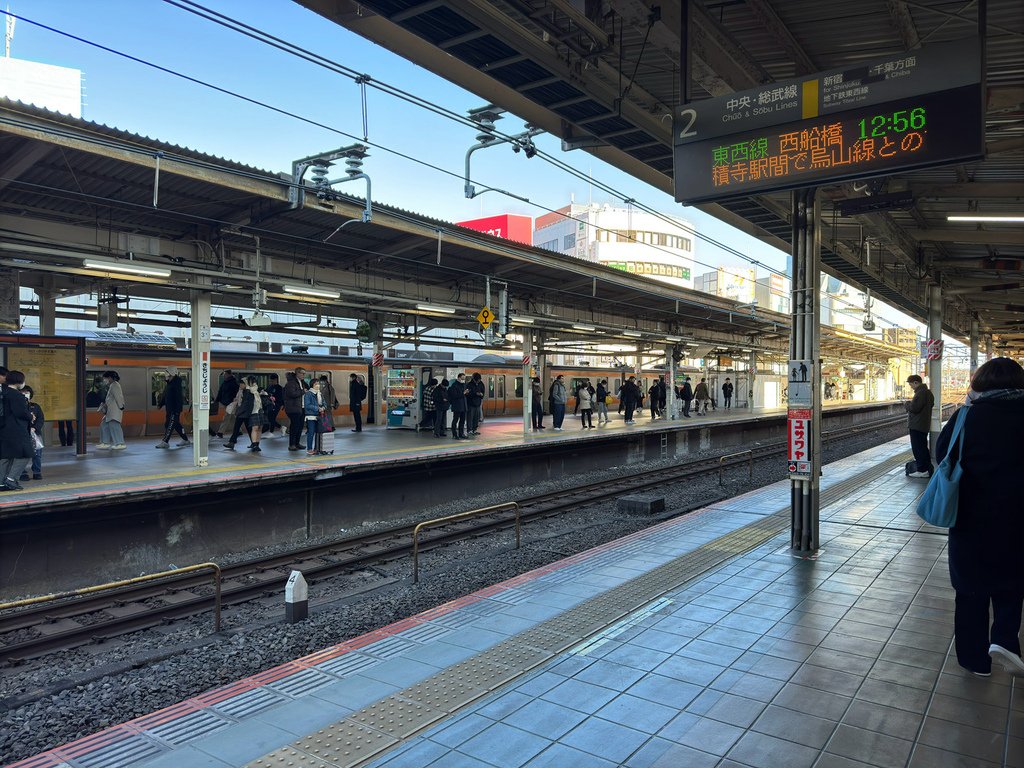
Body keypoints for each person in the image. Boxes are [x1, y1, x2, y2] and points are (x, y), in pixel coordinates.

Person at [935, 357, 1024, 677]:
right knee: (1014, 582)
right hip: (1018, 520)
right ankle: (1004, 639)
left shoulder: (966, 417)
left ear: (980, 384)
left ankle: (975, 660)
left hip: (971, 518)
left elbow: (942, 457)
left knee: (970, 590)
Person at [0, 370, 34, 490]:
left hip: (3, 428)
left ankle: (1, 483)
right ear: (19, 381)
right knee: (26, 453)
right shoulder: (16, 395)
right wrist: (31, 416)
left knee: (6, 455)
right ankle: (11, 479)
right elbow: (20, 412)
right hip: (16, 429)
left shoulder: (4, 392)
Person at [905, 374, 935, 477]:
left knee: (918, 448)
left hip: (917, 425)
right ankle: (928, 468)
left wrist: (907, 404)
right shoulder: (928, 393)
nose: (911, 387)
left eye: (911, 384)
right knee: (923, 447)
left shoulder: (920, 393)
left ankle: (922, 470)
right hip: (923, 425)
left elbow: (915, 408)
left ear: (916, 383)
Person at [226, 376, 264, 452]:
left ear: (246, 384)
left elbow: (246, 403)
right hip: (247, 412)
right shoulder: (246, 390)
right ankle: (252, 443)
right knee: (248, 428)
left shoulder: (248, 391)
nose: (240, 385)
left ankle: (233, 442)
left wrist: (238, 412)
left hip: (244, 412)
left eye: (241, 384)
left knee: (239, 428)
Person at [156, 367, 189, 448]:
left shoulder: (176, 384)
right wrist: (161, 404)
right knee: (175, 425)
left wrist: (177, 410)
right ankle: (185, 440)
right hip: (169, 409)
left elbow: (178, 398)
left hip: (174, 409)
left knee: (170, 425)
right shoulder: (169, 383)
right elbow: (165, 396)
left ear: (171, 374)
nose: (166, 375)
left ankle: (165, 442)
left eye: (167, 373)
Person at [97, 371, 127, 450]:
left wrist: (121, 407)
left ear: (110, 377)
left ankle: (120, 443)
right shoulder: (112, 385)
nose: (105, 380)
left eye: (106, 378)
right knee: (104, 425)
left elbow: (118, 397)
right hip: (110, 411)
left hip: (115, 410)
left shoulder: (115, 385)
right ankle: (105, 442)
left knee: (114, 426)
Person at [20, 386, 44, 481]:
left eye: (27, 392)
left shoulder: (36, 406)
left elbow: (41, 419)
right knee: (22, 454)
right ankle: (22, 472)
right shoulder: (18, 406)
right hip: (22, 434)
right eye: (23, 392)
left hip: (35, 434)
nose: (25, 394)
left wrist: (34, 428)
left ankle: (37, 472)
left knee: (37, 454)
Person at [214, 370, 240, 436]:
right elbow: (220, 391)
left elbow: (237, 393)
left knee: (227, 416)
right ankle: (239, 430)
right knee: (232, 417)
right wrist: (217, 400)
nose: (224, 376)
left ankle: (221, 432)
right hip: (226, 402)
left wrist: (235, 400)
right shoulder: (225, 382)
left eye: (225, 374)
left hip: (231, 403)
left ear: (229, 374)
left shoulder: (234, 383)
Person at [284, 370, 305, 450]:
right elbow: (292, 394)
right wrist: (302, 391)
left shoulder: (301, 382)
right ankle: (292, 444)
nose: (303, 375)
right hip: (294, 408)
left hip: (301, 407)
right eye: (302, 373)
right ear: (297, 373)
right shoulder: (291, 383)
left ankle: (297, 443)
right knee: (294, 426)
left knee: (300, 426)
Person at [303, 379, 321, 455]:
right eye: (316, 384)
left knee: (318, 432)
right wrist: (317, 408)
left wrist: (323, 407)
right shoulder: (308, 394)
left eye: (318, 384)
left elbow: (324, 403)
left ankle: (317, 448)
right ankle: (309, 449)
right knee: (311, 432)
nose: (318, 385)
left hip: (319, 416)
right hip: (310, 416)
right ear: (312, 385)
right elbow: (307, 405)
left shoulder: (319, 393)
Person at [448, 373, 468, 439]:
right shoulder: (454, 385)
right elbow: (455, 396)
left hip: (464, 405)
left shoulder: (464, 385)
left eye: (464, 379)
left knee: (462, 421)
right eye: (462, 378)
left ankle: (461, 433)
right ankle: (454, 434)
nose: (463, 380)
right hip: (457, 406)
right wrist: (463, 393)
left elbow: (465, 395)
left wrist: (467, 393)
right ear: (458, 378)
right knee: (455, 420)